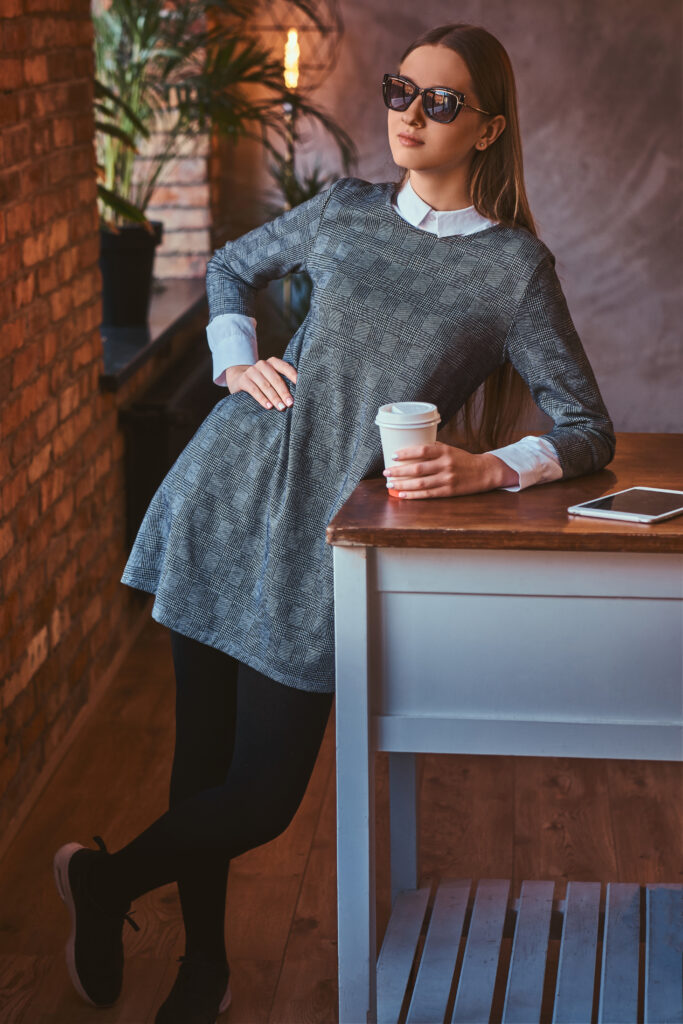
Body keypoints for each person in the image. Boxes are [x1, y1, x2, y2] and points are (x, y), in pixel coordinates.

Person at [52, 22, 615, 1024]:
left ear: (486, 128)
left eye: (438, 102)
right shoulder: (344, 209)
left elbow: (583, 426)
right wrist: (235, 358)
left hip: (327, 539)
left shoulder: (512, 271)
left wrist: (489, 465)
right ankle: (202, 972)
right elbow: (226, 267)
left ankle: (103, 885)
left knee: (261, 798)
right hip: (224, 493)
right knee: (201, 762)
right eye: (401, 91)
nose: (408, 114)